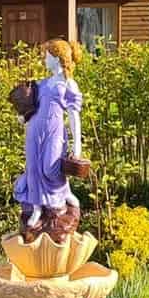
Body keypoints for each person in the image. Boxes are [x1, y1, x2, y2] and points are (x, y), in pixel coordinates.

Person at [10, 38, 93, 241]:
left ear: (57, 58)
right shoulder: (42, 84)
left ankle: (63, 195)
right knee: (33, 168)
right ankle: (37, 207)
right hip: (34, 131)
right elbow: (31, 106)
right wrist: (22, 115)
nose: (44, 60)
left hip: (55, 133)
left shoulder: (68, 84)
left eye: (47, 56)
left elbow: (74, 116)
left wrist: (77, 145)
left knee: (50, 168)